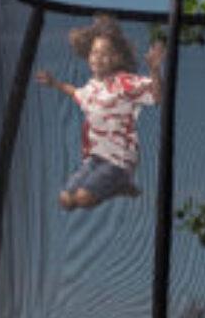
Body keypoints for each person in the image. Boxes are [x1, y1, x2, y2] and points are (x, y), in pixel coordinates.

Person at [35, 13, 165, 211]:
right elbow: (76, 92)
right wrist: (55, 83)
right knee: (66, 201)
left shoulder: (125, 82)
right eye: (94, 53)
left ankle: (121, 184)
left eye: (105, 54)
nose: (98, 58)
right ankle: (113, 185)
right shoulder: (92, 87)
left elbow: (158, 97)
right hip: (94, 159)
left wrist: (155, 70)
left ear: (117, 58)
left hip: (118, 162)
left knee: (83, 199)